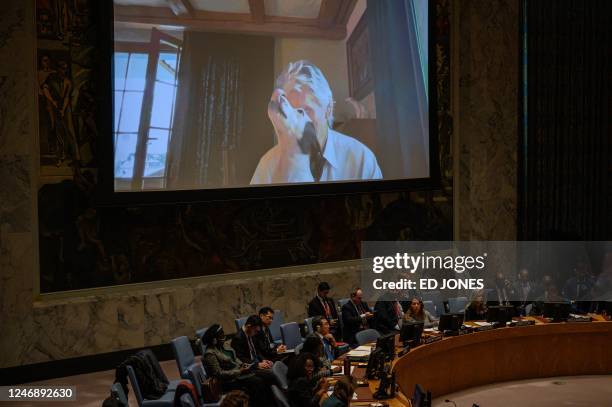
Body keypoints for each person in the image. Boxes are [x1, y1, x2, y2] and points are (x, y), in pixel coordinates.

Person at [251, 60, 382, 184]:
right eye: (291, 111)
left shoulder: (361, 159)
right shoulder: (267, 165)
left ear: (328, 108)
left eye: (305, 110)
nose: (297, 121)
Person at [201, 324, 274, 407]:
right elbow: (219, 374)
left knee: (268, 375)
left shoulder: (223, 346)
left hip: (240, 373)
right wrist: (239, 371)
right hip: (229, 381)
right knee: (258, 382)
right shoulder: (210, 354)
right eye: (221, 335)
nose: (224, 336)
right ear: (214, 339)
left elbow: (235, 359)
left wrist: (243, 364)